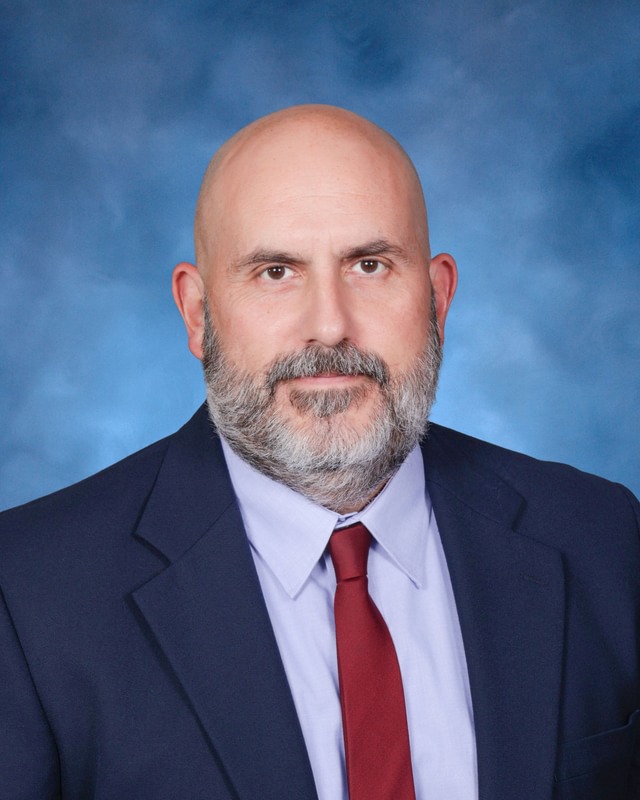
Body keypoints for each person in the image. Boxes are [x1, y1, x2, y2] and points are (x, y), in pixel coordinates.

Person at [0, 105, 638, 800]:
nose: (329, 325)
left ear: (437, 298)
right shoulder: (29, 593)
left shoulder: (604, 537)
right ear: (197, 313)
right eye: (276, 271)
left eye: (370, 265)